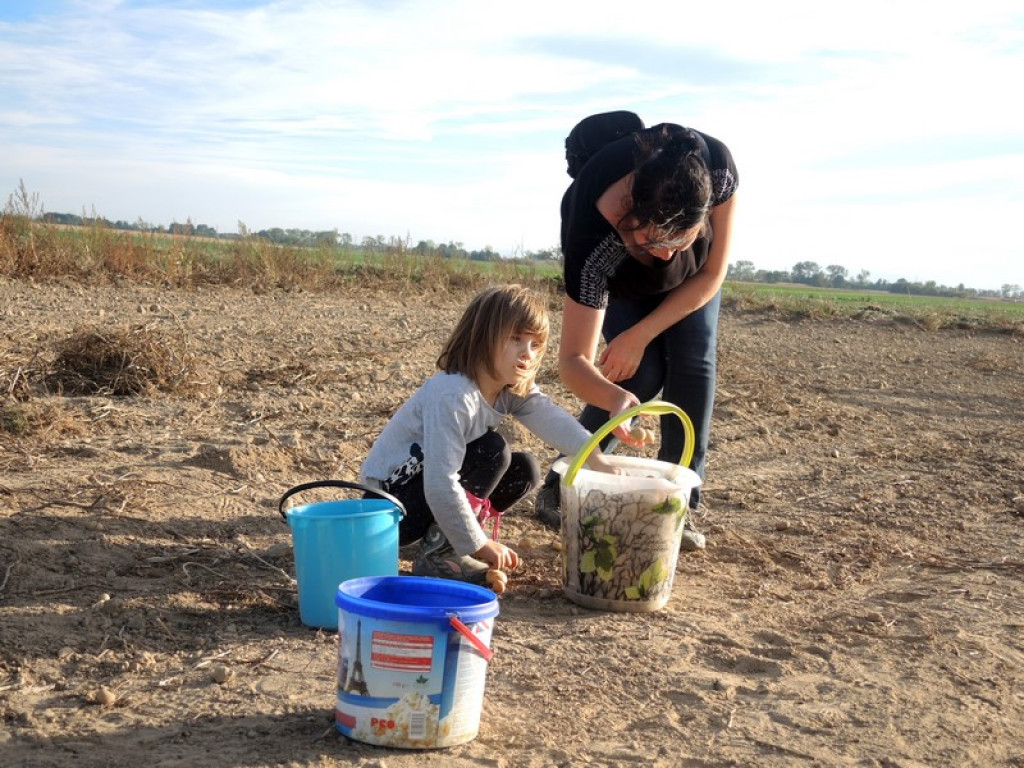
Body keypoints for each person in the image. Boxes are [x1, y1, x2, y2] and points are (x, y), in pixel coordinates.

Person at [534, 113, 739, 551]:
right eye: (653, 242)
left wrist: (641, 332)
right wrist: (615, 397)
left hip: (695, 281)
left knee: (693, 361)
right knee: (639, 376)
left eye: (679, 240)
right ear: (629, 212)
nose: (665, 255)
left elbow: (713, 272)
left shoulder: (718, 169)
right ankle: (563, 476)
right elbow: (573, 362)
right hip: (624, 279)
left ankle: (680, 503)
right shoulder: (591, 237)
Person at [360, 284, 618, 584]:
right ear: (483, 338)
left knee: (524, 469)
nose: (527, 353)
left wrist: (595, 457)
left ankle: (445, 537)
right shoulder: (454, 395)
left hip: (420, 498)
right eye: (516, 339)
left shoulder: (507, 388)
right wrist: (478, 544)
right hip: (387, 509)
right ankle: (442, 554)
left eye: (535, 344)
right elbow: (440, 481)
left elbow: (550, 417)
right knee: (493, 450)